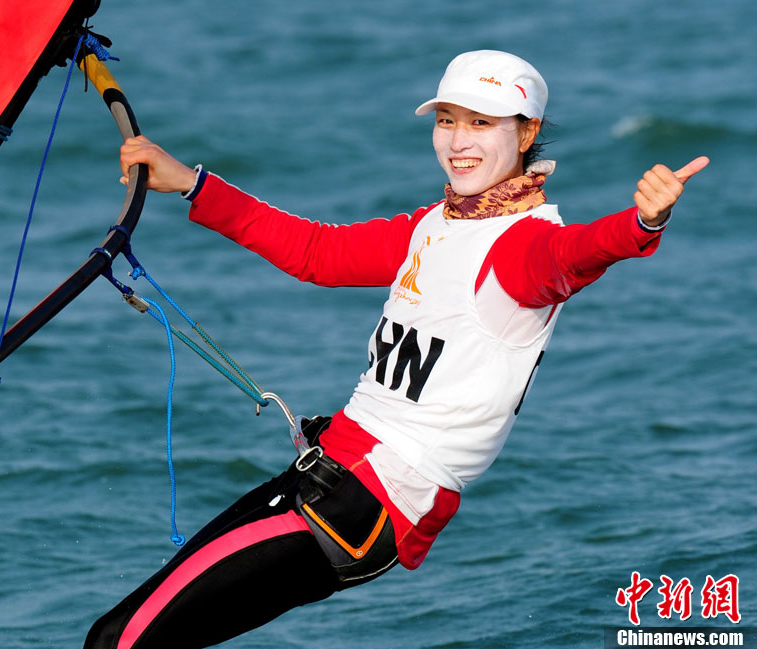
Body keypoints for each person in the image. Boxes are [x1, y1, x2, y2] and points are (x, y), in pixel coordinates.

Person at [84, 50, 708, 648]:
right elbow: (317, 253)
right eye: (447, 121)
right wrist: (192, 184)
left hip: (366, 505)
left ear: (526, 133)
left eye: (481, 124)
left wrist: (641, 223)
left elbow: (576, 254)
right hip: (327, 476)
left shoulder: (524, 247)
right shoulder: (437, 225)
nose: (458, 141)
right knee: (132, 637)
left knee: (117, 640)